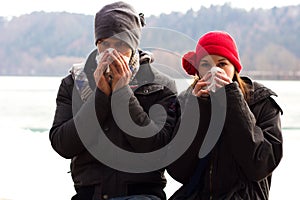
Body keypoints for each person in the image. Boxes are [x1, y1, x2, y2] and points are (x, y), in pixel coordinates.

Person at [49, 2, 178, 200]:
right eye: (105, 44)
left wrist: (121, 92)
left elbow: (158, 149)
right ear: (97, 45)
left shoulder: (160, 84)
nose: (111, 52)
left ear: (134, 46)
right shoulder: (75, 82)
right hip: (89, 194)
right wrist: (100, 95)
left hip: (142, 194)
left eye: (120, 45)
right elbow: (63, 145)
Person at [167, 31, 283, 199]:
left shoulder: (261, 101)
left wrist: (233, 100)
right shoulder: (185, 101)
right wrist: (197, 110)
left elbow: (260, 165)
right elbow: (179, 171)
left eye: (222, 64)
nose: (214, 71)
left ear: (234, 67)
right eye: (205, 64)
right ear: (198, 70)